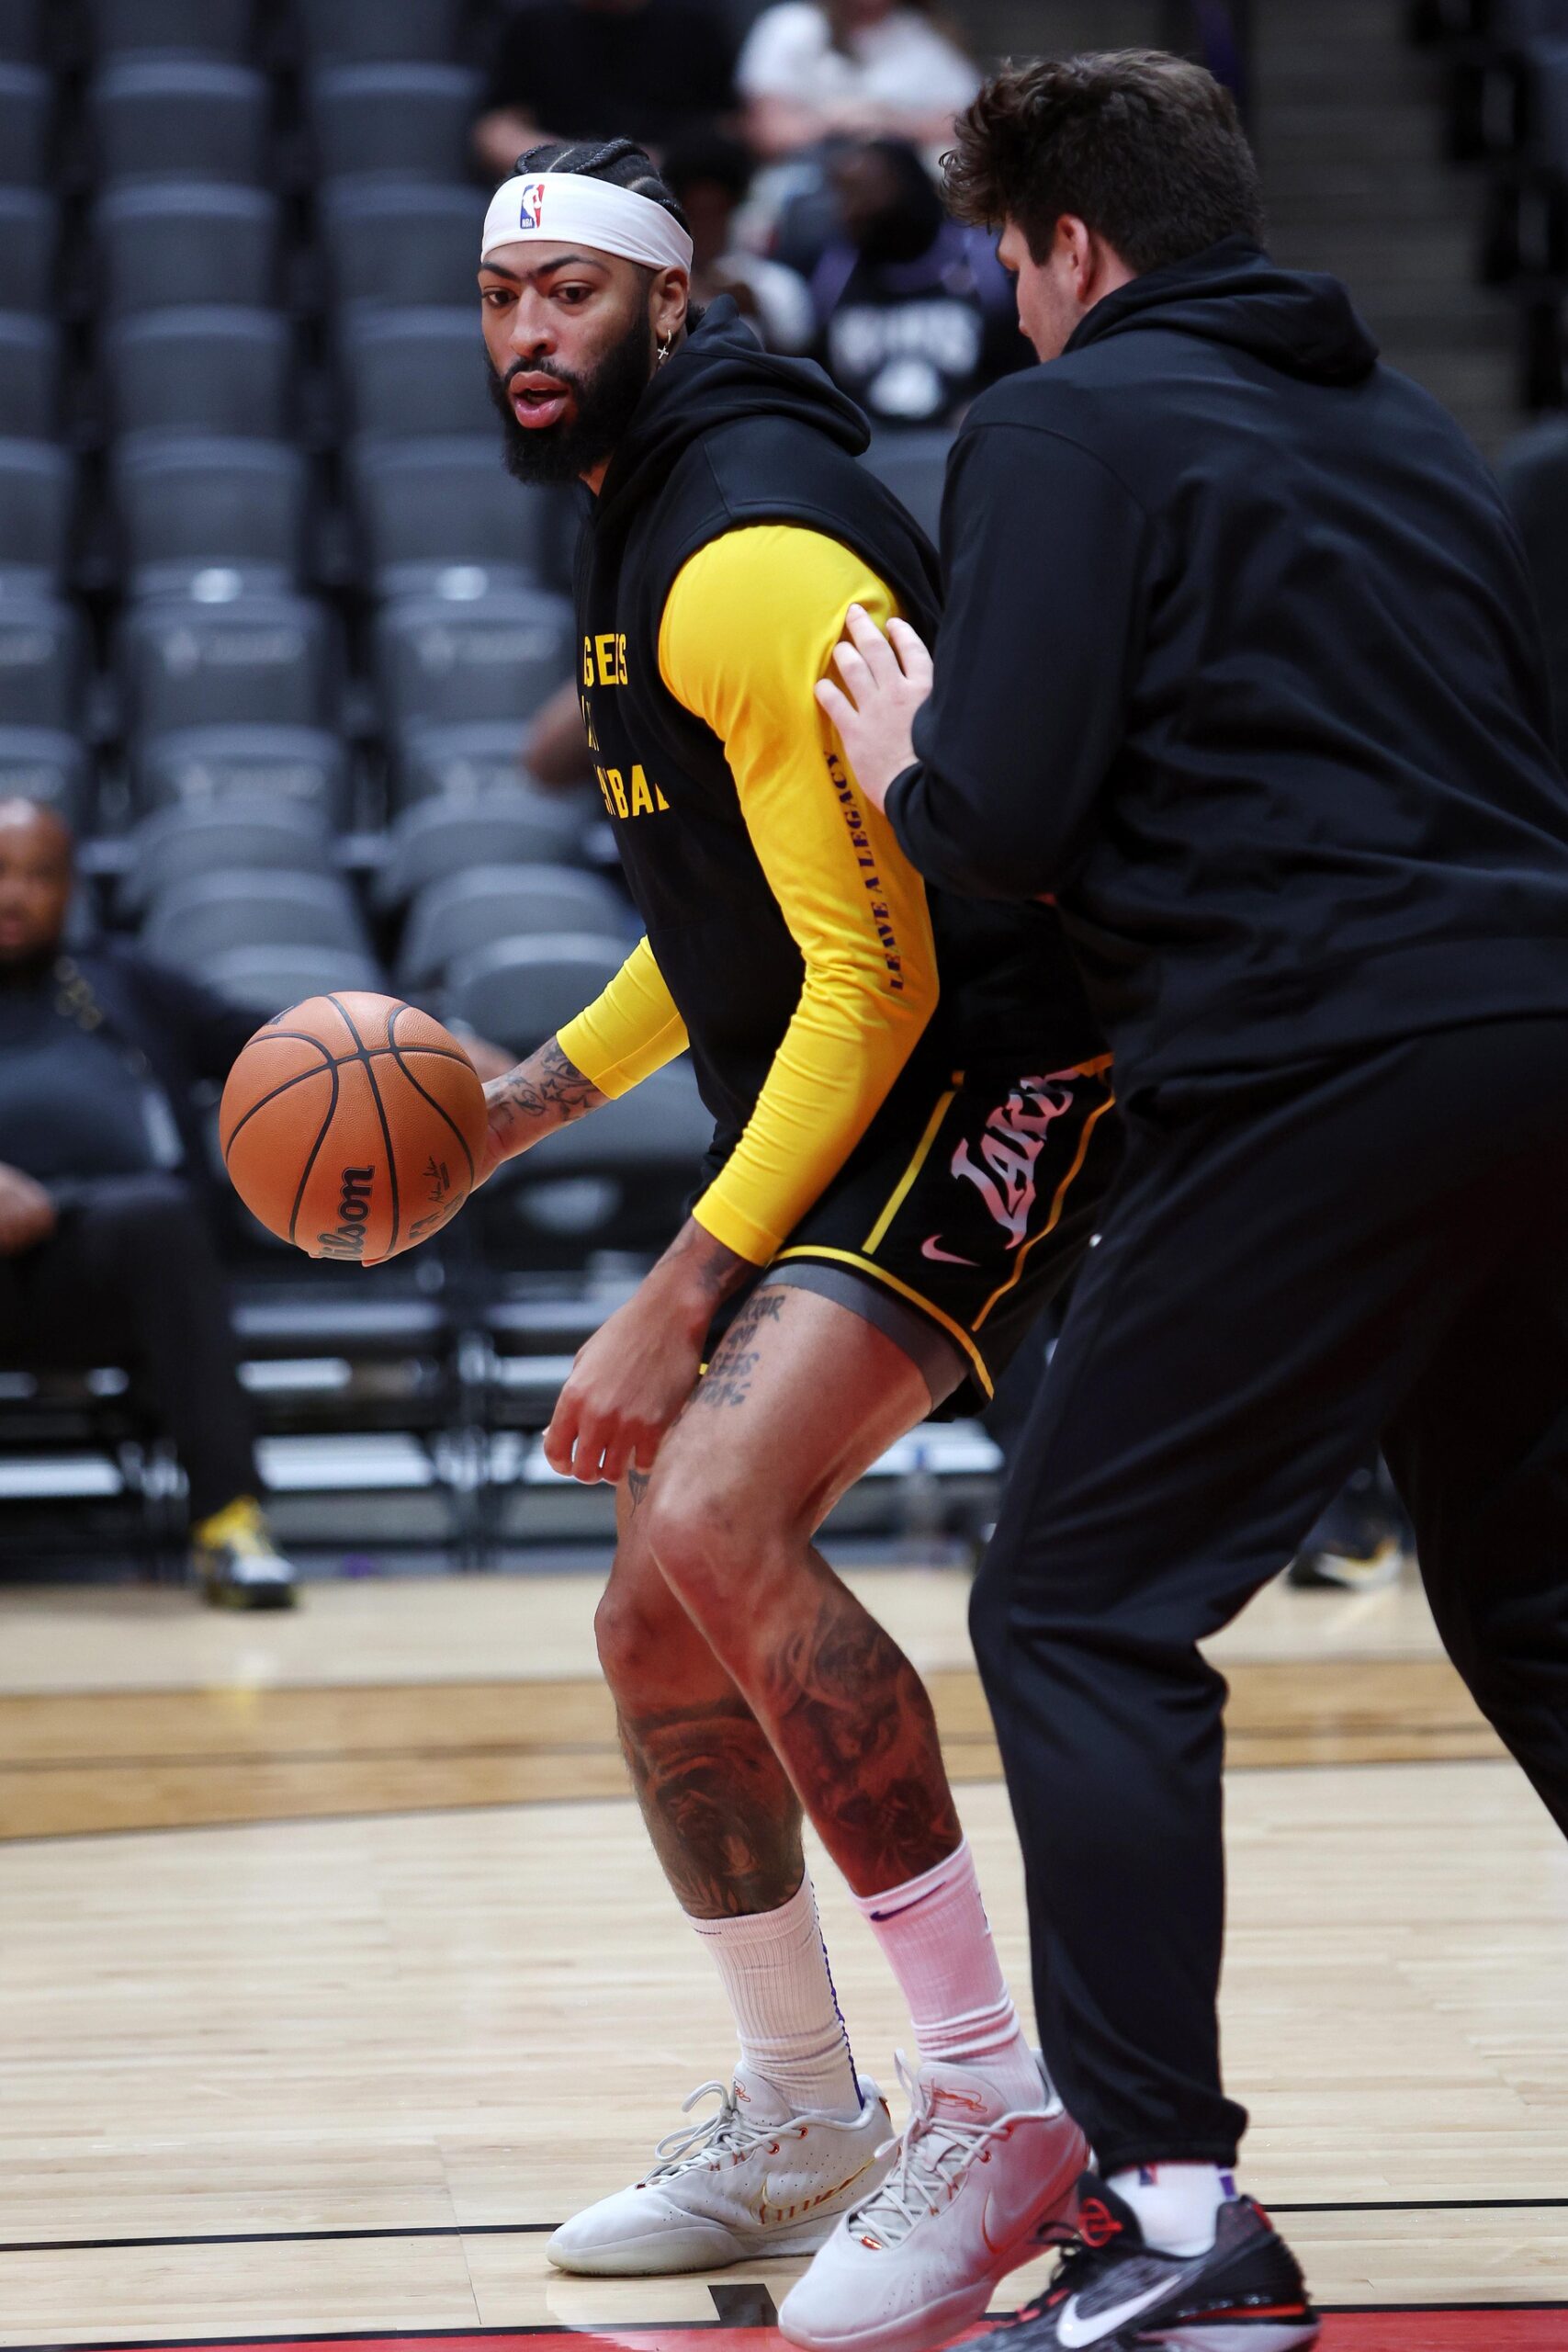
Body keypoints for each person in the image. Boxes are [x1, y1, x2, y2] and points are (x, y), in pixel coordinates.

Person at [821, 49, 1568, 2351]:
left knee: (1073, 1603)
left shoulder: (1057, 423)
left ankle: (1169, 2219)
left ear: (1061, 247)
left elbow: (1012, 794)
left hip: (1319, 1056)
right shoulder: (1406, 433)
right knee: (1536, 1591)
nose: (1013, 313)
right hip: (1533, 1032)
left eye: (1012, 271)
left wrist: (905, 769)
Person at [470, 137, 1119, 2351]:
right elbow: (718, 922)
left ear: (671, 298)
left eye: (569, 294)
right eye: (499, 298)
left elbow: (875, 983)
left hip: (999, 1072)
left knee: (719, 1499)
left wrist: (676, 1290)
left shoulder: (740, 544)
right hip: (858, 1080)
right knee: (651, 1625)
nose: (528, 333)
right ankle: (798, 2102)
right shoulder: (636, 513)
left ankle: (992, 2103)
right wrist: (520, 1102)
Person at [0, 800, 297, 1609]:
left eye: (37, 875)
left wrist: (425, 1043)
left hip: (98, 1265)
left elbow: (272, 1043)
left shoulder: (122, 980)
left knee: (160, 1217)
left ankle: (230, 1525)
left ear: (72, 888)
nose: (14, 895)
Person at [807, 138, 1026, 427]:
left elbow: (1019, 358)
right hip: (863, 447)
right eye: (845, 195)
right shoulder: (828, 266)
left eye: (866, 193)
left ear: (911, 185)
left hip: (967, 436)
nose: (852, 210)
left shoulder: (984, 258)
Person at [472, 0, 739, 184]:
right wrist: (582, 164)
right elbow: (496, 131)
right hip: (560, 190)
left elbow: (728, 129)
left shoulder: (696, 22)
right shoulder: (531, 19)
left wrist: (654, 167)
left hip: (669, 192)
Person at [737, 0, 978, 162]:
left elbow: (968, 125)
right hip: (810, 182)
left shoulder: (924, 35)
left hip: (912, 191)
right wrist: (839, 123)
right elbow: (767, 133)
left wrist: (891, 124)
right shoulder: (792, 26)